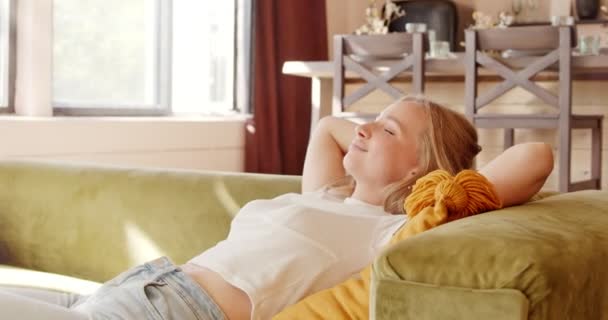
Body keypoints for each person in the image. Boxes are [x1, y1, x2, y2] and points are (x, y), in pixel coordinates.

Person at [0, 95, 554, 320]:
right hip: (139, 286)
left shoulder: (388, 233)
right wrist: (385, 128)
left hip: (175, 312)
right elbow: (327, 128)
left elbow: (535, 156)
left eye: (385, 128)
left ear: (421, 169)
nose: (361, 127)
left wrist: (445, 178)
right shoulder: (329, 197)